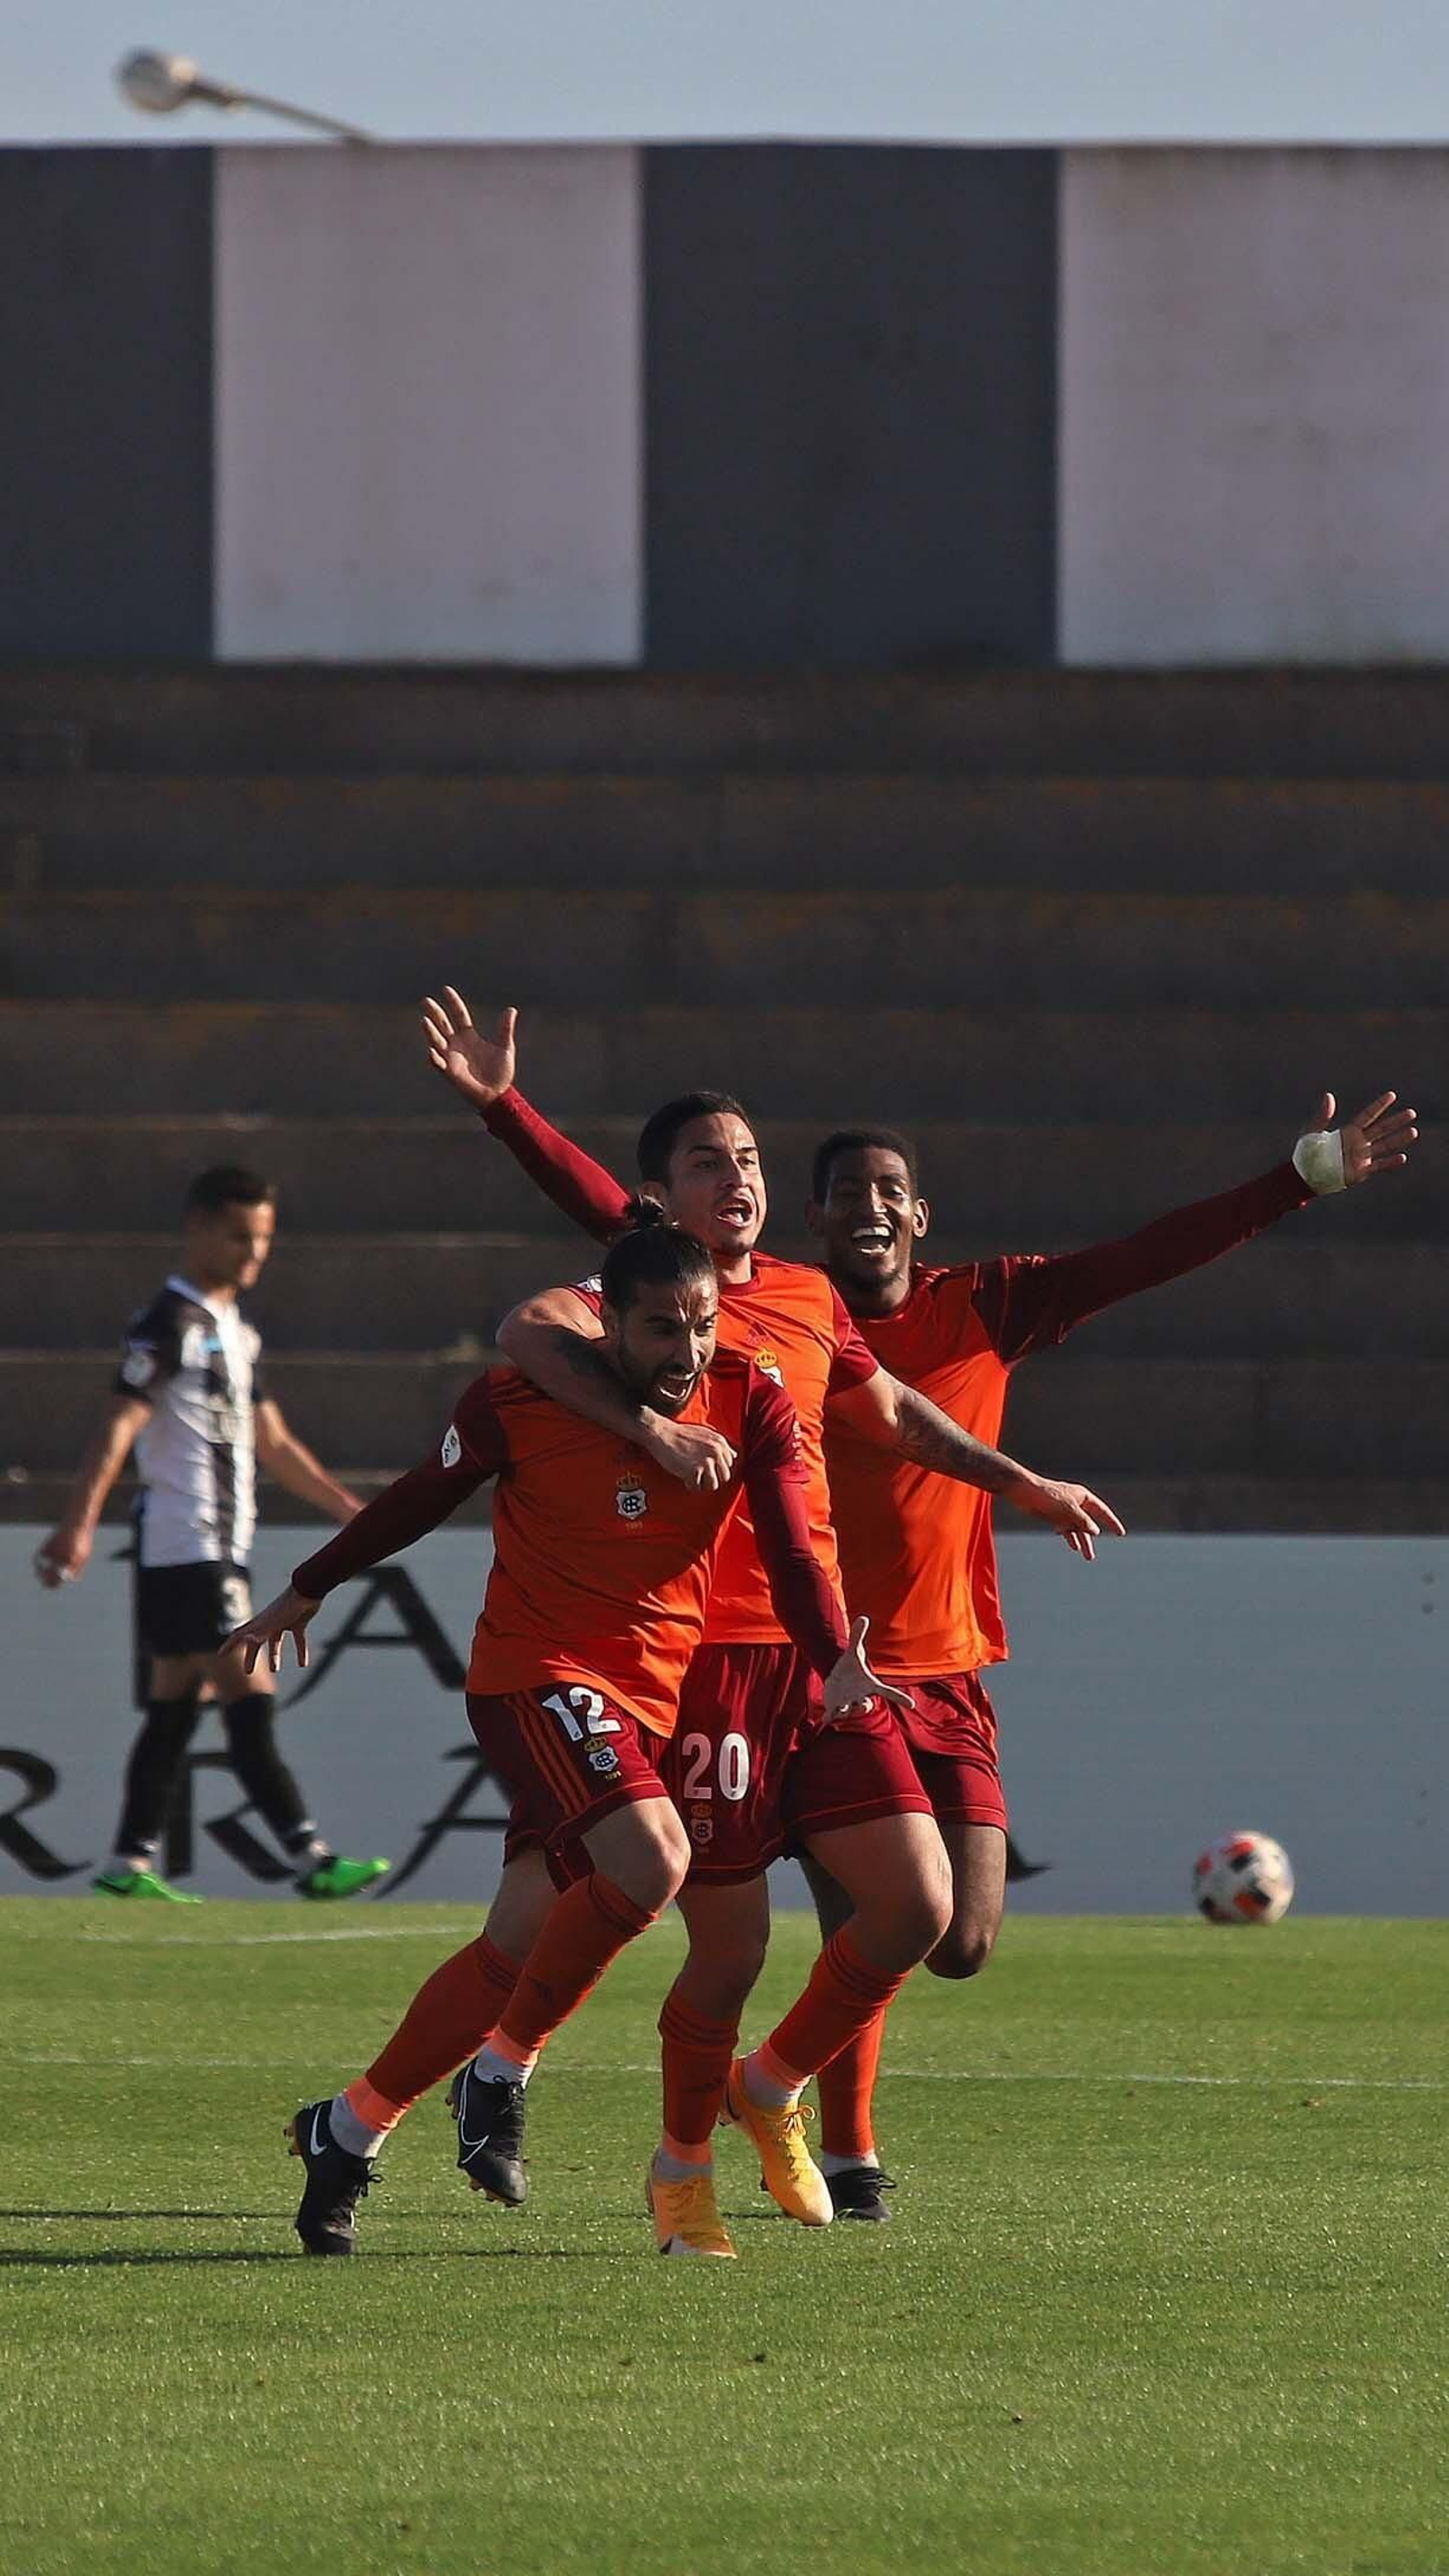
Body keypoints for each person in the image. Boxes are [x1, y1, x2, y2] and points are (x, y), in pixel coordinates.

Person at [408, 989, 1121, 2231]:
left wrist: (1023, 1481)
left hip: (820, 1655)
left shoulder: (801, 1293)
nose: (736, 1177)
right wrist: (500, 1106)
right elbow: (538, 1314)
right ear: (660, 1202)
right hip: (692, 1660)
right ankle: (580, 2145)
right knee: (613, 1937)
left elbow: (892, 1410)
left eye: (746, 1159)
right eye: (706, 1163)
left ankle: (769, 2091)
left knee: (921, 1905)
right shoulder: (654, 1290)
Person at [234, 1214, 912, 2258]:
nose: (682, 1350)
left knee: (514, 1943)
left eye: (697, 1324)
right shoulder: (521, 1397)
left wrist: (830, 1655)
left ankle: (349, 2128)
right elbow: (420, 1495)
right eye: (657, 1329)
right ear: (607, 1327)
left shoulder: (755, 1394)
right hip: (533, 1677)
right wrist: (305, 1588)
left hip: (641, 1703)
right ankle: (500, 2075)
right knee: (652, 1860)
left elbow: (787, 1543)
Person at [794, 1085, 1420, 2212]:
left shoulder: (985, 1303)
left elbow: (1140, 1258)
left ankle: (775, 2087)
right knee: (870, 1921)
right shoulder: (785, 1320)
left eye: (889, 1192)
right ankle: (845, 2155)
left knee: (963, 1940)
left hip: (949, 1667)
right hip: (829, 1674)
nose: (870, 1210)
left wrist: (1294, 1180)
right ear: (818, 1217)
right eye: (848, 1195)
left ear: (920, 1215)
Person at [34, 1164, 389, 1904]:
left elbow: (274, 1442)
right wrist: (77, 1525)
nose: (252, 1253)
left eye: (262, 1239)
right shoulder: (170, 1322)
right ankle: (311, 1855)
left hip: (207, 1549)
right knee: (247, 1689)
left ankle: (128, 1862)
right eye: (237, 1236)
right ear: (197, 1228)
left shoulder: (234, 1329)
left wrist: (352, 1512)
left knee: (175, 1704)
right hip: (188, 1543)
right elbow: (119, 1423)